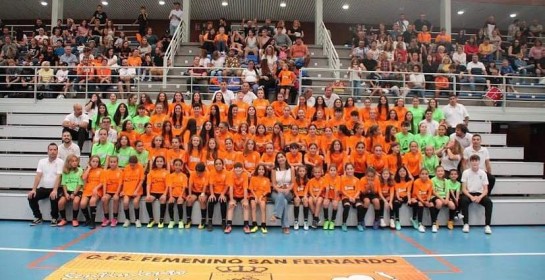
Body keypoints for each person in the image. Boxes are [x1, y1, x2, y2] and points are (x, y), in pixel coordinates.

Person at [27, 143, 64, 226]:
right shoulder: (41, 161)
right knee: (31, 196)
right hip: (44, 188)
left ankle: (54, 218)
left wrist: (54, 190)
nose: (53, 152)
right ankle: (38, 217)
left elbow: (59, 176)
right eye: (51, 150)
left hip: (56, 188)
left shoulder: (60, 162)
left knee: (54, 196)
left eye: (55, 150)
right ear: (47, 151)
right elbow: (38, 176)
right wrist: (33, 189)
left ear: (57, 151)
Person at [460, 155, 493, 234]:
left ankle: (487, 225)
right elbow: (463, 189)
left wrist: (480, 197)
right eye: (473, 161)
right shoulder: (465, 172)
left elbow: (486, 189)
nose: (474, 162)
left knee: (489, 202)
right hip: (469, 193)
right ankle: (466, 224)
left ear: (479, 162)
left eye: (476, 161)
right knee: (463, 201)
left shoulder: (483, 173)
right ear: (470, 162)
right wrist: (471, 197)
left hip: (480, 194)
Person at [270, 152, 295, 234]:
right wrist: (278, 189)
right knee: (283, 201)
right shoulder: (274, 170)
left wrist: (288, 189)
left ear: (285, 157)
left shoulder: (291, 168)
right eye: (278, 158)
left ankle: (275, 215)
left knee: (283, 197)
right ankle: (286, 227)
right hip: (276, 192)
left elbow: (293, 183)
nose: (280, 159)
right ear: (277, 160)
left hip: (288, 192)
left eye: (282, 157)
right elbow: (273, 184)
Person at [56, 154, 83, 227]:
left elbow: (80, 184)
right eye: (72, 161)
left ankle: (74, 219)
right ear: (68, 162)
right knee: (60, 202)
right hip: (67, 191)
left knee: (76, 201)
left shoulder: (80, 170)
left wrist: (74, 194)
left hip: (77, 190)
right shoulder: (65, 171)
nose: (75, 163)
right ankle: (63, 219)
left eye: (76, 161)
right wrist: (66, 193)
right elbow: (64, 184)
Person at [225, 162, 251, 233]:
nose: (238, 169)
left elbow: (245, 189)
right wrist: (232, 200)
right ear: (234, 169)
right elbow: (231, 188)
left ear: (243, 169)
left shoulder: (245, 175)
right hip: (234, 195)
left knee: (246, 206)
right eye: (236, 168)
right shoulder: (231, 175)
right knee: (231, 205)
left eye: (240, 168)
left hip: (243, 195)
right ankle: (229, 225)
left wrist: (245, 200)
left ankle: (246, 225)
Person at [145, 156, 169, 228]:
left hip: (162, 192)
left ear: (163, 162)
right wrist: (148, 194)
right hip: (153, 192)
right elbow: (148, 184)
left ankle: (161, 219)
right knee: (148, 199)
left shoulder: (166, 172)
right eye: (157, 161)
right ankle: (151, 219)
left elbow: (168, 185)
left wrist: (164, 194)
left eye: (161, 161)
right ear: (155, 162)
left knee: (163, 199)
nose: (159, 163)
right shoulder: (151, 172)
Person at [121, 155, 145, 228]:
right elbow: (123, 180)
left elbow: (141, 180)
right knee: (125, 202)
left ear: (137, 163)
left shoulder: (140, 167)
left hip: (137, 190)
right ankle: (127, 219)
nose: (132, 166)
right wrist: (122, 190)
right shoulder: (126, 168)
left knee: (135, 202)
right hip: (127, 189)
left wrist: (136, 191)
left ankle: (137, 220)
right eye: (131, 165)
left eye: (133, 165)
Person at [100, 156, 123, 227]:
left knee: (116, 198)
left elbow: (120, 184)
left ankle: (115, 218)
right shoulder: (106, 172)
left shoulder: (120, 172)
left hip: (117, 191)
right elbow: (104, 184)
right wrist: (104, 194)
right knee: (104, 199)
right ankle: (106, 218)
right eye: (111, 162)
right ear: (109, 163)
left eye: (114, 162)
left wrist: (117, 193)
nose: (112, 164)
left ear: (117, 163)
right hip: (108, 191)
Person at [249, 164, 271, 233]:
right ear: (257, 170)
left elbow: (267, 190)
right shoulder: (253, 178)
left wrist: (261, 196)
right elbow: (251, 189)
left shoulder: (267, 179)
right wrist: (255, 196)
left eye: (262, 169)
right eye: (259, 169)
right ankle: (254, 225)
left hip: (262, 195)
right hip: (253, 195)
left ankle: (263, 225)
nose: (261, 170)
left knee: (262, 205)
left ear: (265, 171)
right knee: (253, 205)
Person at [166, 158, 188, 229]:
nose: (177, 166)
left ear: (181, 166)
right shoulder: (170, 175)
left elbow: (184, 187)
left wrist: (181, 196)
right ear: (173, 166)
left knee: (179, 202)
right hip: (173, 194)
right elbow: (169, 187)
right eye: (176, 165)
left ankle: (180, 221)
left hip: (181, 194)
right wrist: (171, 196)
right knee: (170, 203)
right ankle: (172, 220)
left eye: (179, 165)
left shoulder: (184, 176)